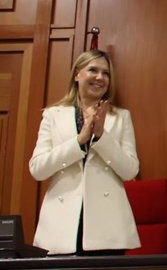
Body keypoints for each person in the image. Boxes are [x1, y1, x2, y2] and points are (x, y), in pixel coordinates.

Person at [29, 49, 140, 256]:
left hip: (107, 227)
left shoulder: (121, 117)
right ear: (77, 74)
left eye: (106, 73)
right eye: (93, 70)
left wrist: (101, 137)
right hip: (61, 224)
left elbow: (130, 170)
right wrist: (79, 142)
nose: (100, 77)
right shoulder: (53, 115)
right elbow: (37, 169)